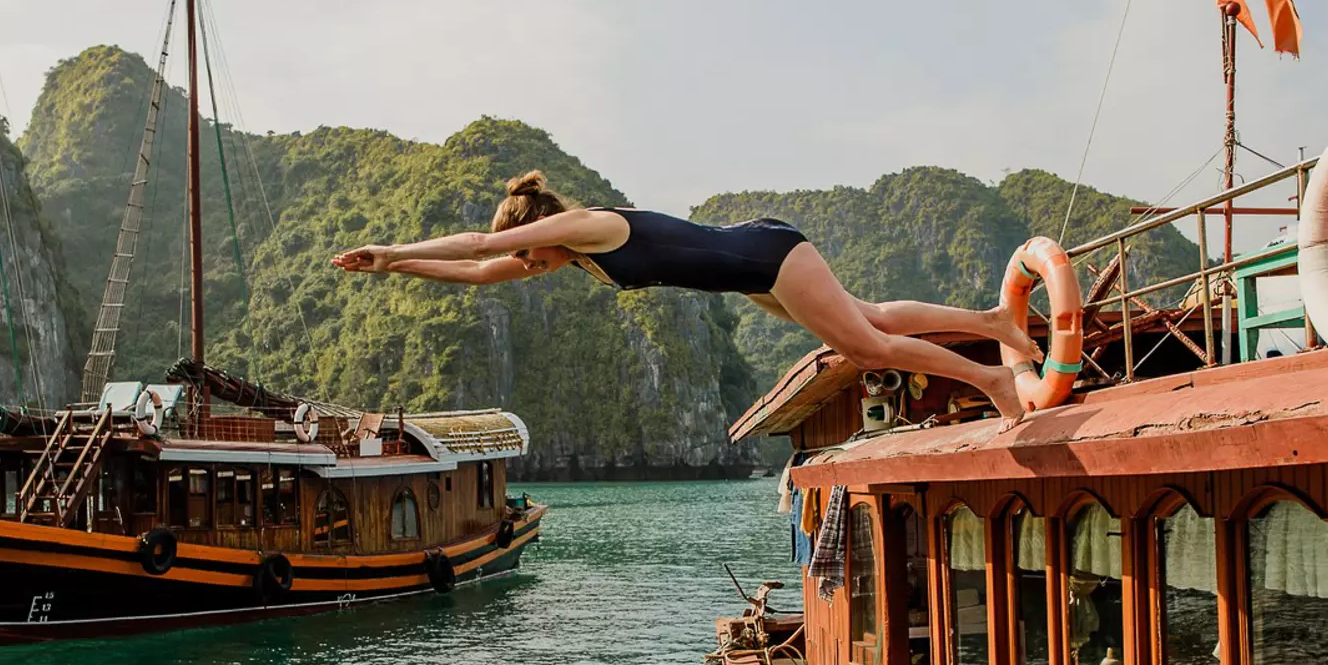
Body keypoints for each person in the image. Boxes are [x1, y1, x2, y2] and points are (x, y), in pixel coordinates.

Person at [331, 171, 1041, 422]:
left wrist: (395, 248)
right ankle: (994, 322)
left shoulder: (588, 228)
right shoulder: (570, 260)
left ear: (541, 228)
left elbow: (481, 250)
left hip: (767, 255)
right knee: (873, 319)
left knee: (862, 345)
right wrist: (393, 271)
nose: (528, 266)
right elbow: (483, 274)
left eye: (528, 252)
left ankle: (987, 380)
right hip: (753, 270)